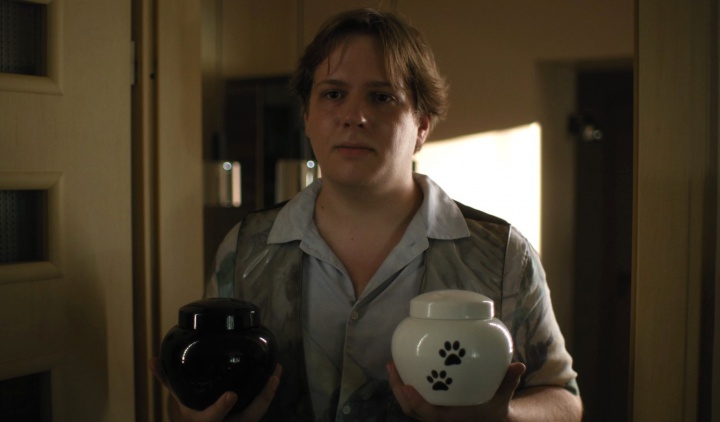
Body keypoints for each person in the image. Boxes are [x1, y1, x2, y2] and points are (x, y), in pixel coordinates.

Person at [151, 7, 582, 422]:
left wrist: (504, 416)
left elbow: (563, 397)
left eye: (382, 97)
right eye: (333, 94)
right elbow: (192, 402)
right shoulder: (245, 249)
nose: (355, 116)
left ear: (422, 125)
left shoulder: (502, 255)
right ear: (307, 115)